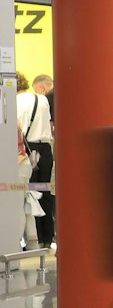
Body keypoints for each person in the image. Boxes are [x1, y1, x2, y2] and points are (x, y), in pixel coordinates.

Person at [17, 72, 54, 246]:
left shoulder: (15, 101)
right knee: (45, 192)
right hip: (45, 150)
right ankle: (47, 238)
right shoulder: (43, 99)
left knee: (29, 194)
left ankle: (34, 239)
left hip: (28, 150)